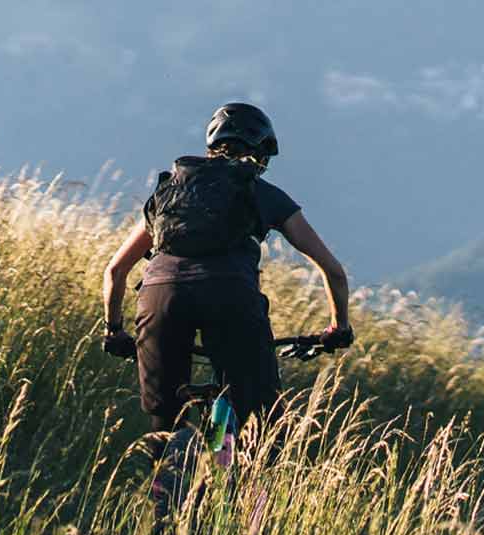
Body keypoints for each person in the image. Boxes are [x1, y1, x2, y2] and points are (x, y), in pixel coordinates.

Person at [100, 103, 356, 437]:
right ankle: (250, 480)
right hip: (230, 299)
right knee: (262, 422)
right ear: (260, 155)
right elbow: (332, 271)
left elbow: (116, 270)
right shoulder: (263, 193)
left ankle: (167, 471)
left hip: (160, 299)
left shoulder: (167, 193)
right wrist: (338, 327)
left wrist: (114, 330)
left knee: (165, 420)